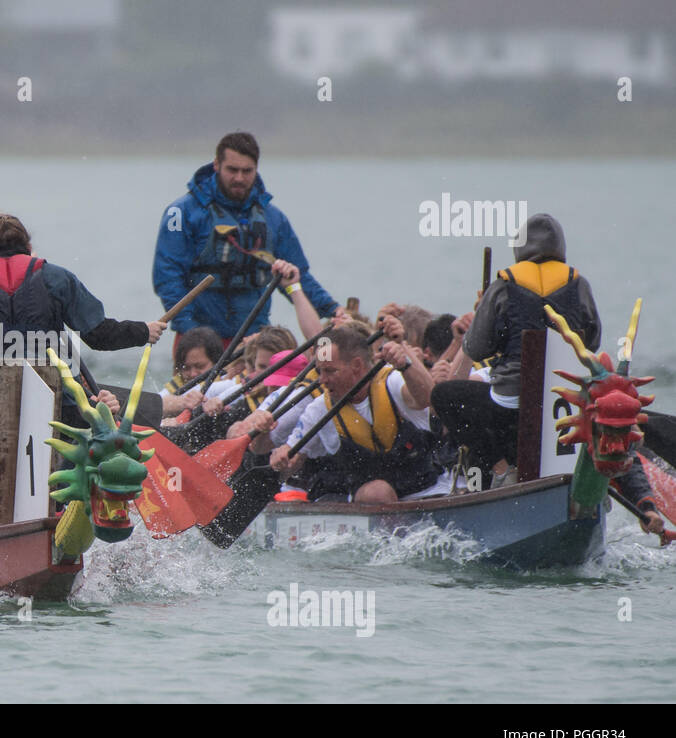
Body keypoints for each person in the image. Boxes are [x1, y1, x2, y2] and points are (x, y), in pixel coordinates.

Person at [0, 214, 164, 533]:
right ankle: (66, 502)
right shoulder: (58, 278)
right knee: (96, 419)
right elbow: (98, 335)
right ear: (27, 246)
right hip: (58, 406)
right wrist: (143, 331)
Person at [430, 214, 601, 488]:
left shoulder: (504, 284)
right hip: (564, 400)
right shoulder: (579, 284)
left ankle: (502, 469)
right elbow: (592, 340)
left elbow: (477, 347)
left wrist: (486, 311)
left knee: (443, 395)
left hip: (509, 405)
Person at [153, 131, 340, 346]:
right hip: (198, 340)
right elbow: (168, 277)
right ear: (216, 165)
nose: (239, 178)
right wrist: (192, 332)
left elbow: (298, 275)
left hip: (253, 342)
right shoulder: (182, 213)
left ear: (256, 169)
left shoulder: (273, 219)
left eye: (247, 171)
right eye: (232, 170)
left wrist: (332, 310)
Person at [270, 323, 447, 503]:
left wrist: (405, 364)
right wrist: (283, 457)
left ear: (356, 365)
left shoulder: (392, 382)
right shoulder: (319, 408)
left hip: (426, 492)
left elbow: (426, 399)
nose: (322, 380)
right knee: (377, 492)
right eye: (319, 371)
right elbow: (292, 460)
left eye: (330, 371)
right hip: (373, 498)